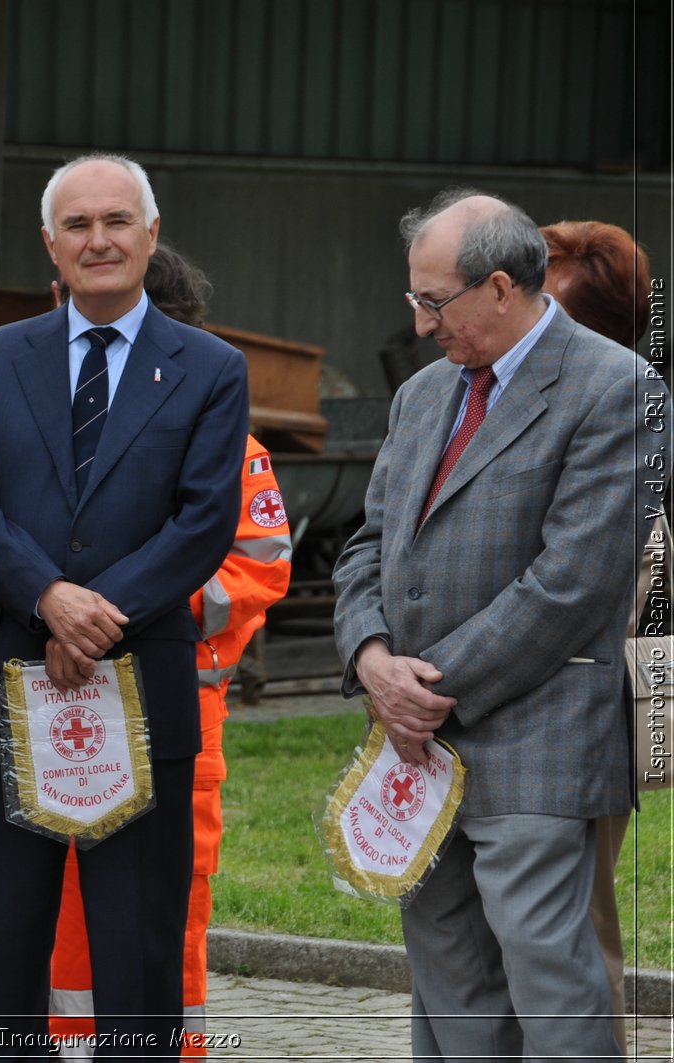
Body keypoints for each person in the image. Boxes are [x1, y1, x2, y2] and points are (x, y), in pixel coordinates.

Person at [332, 189, 666, 1059]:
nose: (418, 321)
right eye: (415, 296)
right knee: (447, 979)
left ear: (504, 288)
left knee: (549, 979)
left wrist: (422, 688)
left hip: (538, 743)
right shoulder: (421, 396)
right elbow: (367, 546)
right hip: (417, 744)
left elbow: (570, 586)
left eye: (433, 301)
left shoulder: (618, 388)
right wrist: (372, 659)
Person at [0, 154, 250, 1055]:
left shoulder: (211, 369)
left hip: (142, 689)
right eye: (77, 225)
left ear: (151, 235)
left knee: (138, 951)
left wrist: (96, 612)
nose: (98, 240)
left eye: (117, 221)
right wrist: (49, 598)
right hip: (8, 689)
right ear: (49, 245)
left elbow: (204, 523)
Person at [45, 243, 291, 1059]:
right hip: (59, 705)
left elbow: (253, 569)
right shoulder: (57, 434)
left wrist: (109, 607)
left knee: (166, 913)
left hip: (174, 718)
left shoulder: (232, 447)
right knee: (58, 912)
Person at [539, 218, 654, 1054]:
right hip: (504, 714)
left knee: (579, 930)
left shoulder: (628, 410)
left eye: (542, 301)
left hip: (580, 717)